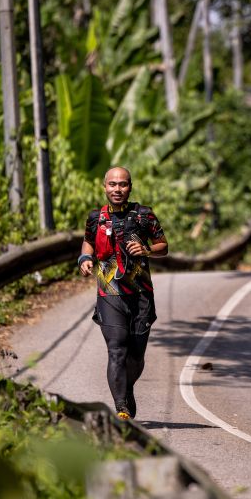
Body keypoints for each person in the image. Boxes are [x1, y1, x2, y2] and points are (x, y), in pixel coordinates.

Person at [78, 166, 168, 421]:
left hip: (141, 294)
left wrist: (147, 250)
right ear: (104, 187)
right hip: (109, 293)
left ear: (130, 187)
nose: (117, 189)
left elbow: (163, 246)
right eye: (112, 184)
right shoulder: (96, 218)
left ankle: (126, 389)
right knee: (116, 350)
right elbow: (88, 241)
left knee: (136, 356)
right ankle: (121, 408)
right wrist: (85, 258)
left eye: (123, 184)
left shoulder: (144, 215)